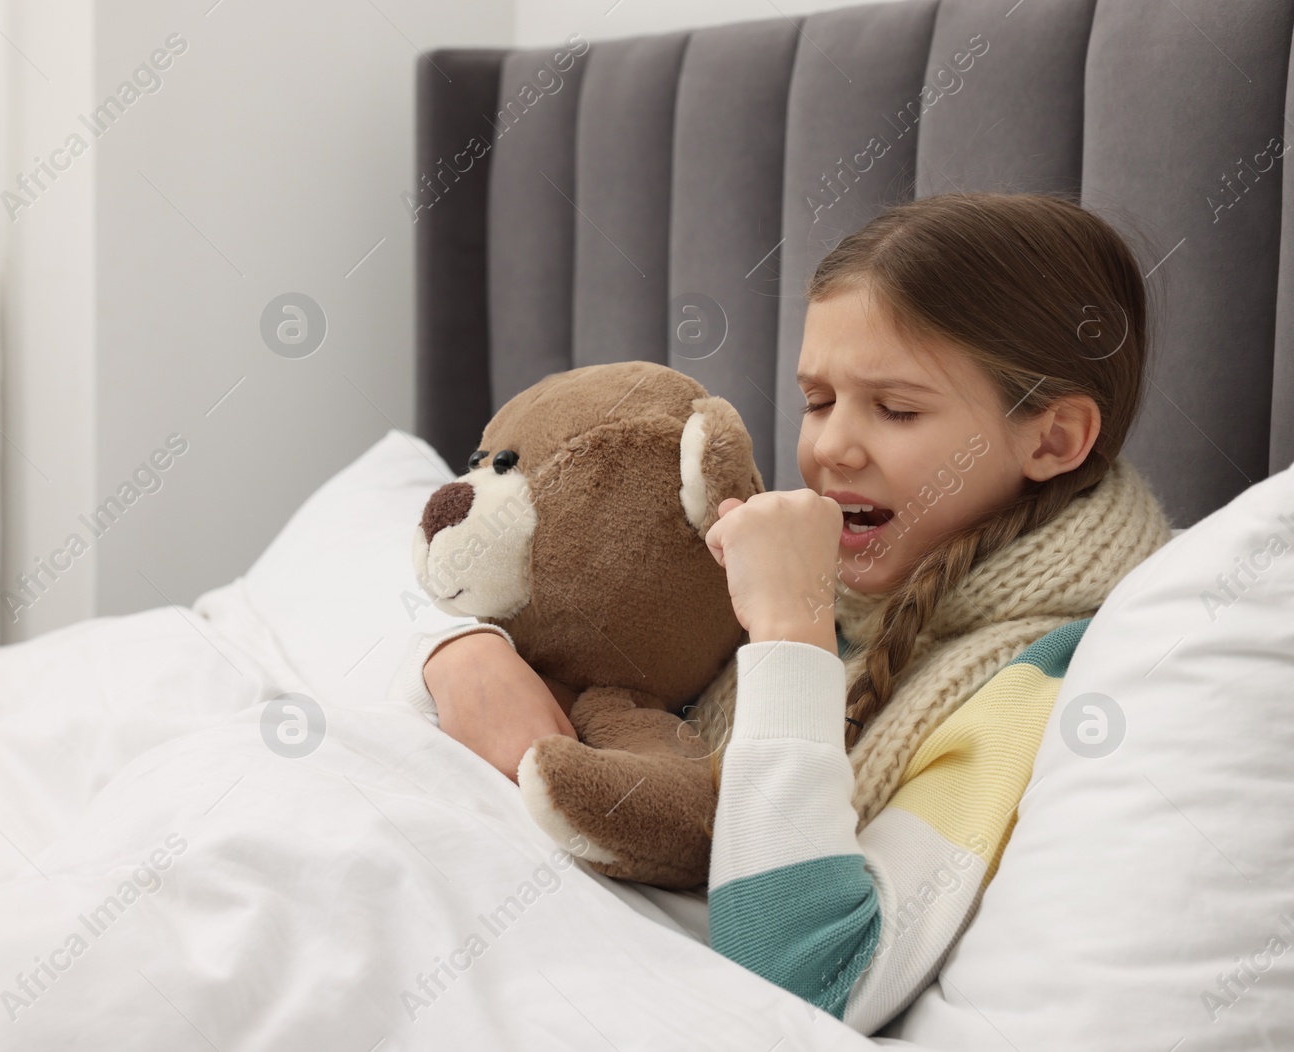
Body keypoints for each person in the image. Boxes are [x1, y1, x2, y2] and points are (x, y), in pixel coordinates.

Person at [391, 191, 1174, 1034]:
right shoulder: (828, 567)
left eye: (897, 408)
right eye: (818, 400)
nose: (831, 447)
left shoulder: (1035, 683)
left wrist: (791, 635)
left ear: (1053, 440)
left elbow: (802, 982)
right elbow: (607, 642)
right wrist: (462, 647)